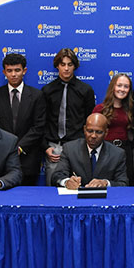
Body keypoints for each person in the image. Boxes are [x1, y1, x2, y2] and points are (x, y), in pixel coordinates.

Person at [0, 53, 46, 185]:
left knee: (27, 198)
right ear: (4, 72)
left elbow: (39, 127)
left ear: (24, 71)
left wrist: (19, 147)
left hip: (28, 158)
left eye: (17, 70)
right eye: (9, 71)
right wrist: (7, 147)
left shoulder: (37, 95)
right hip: (1, 157)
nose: (13, 74)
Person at [42, 48, 96, 185]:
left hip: (78, 145)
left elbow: (89, 121)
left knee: (78, 185)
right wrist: (45, 147)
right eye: (63, 64)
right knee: (52, 186)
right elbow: (41, 122)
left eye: (70, 65)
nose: (66, 68)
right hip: (54, 146)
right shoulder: (47, 91)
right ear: (57, 66)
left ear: (75, 66)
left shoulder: (85, 90)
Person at [52, 113, 128, 188]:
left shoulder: (117, 154)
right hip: (76, 198)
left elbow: (123, 183)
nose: (93, 136)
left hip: (103, 199)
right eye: (90, 131)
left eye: (99, 132)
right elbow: (57, 176)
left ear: (106, 132)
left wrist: (106, 183)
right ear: (84, 129)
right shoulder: (70, 149)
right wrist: (66, 182)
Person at [93, 73, 134, 185]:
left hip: (125, 151)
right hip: (105, 150)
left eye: (126, 86)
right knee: (103, 183)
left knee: (124, 183)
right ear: (113, 87)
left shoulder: (131, 109)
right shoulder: (100, 109)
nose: (122, 89)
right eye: (119, 85)